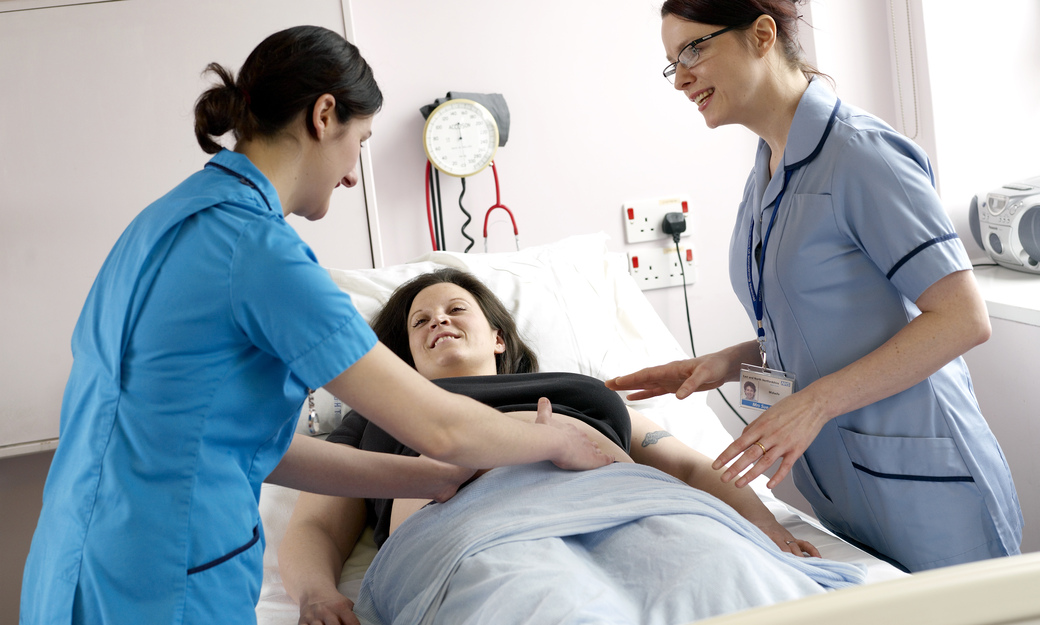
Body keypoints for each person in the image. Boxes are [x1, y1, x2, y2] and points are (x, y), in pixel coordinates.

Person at [19, 27, 610, 625]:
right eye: (361, 142)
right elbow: (439, 426)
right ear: (325, 115)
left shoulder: (162, 222)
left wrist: (429, 480)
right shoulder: (256, 249)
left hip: (73, 566)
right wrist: (556, 438)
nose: (354, 175)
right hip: (167, 580)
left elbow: (251, 449)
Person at [607, 0, 1022, 572]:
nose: (680, 78)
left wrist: (812, 406)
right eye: (671, 63)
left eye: (693, 49)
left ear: (761, 34)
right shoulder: (769, 167)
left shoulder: (861, 155)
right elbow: (821, 325)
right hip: (846, 491)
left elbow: (962, 318)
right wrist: (721, 364)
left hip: (927, 487)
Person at [277, 268, 864, 625]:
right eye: (419, 321)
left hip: (635, 506)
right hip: (474, 532)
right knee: (546, 605)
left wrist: (768, 529)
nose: (438, 321)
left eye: (456, 309)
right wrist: (315, 595)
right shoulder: (378, 415)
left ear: (498, 336)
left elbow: (686, 464)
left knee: (726, 578)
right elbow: (316, 527)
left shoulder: (580, 392)